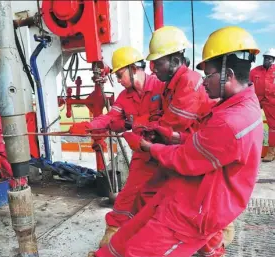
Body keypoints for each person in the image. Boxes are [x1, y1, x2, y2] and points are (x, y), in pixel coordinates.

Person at [92, 26, 262, 257]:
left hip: (198, 201)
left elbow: (187, 153)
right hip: (194, 178)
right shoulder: (234, 107)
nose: (204, 82)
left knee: (138, 248)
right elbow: (197, 140)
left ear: (228, 75)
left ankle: (213, 247)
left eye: (209, 75)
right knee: (139, 218)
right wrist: (166, 136)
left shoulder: (223, 115)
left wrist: (149, 144)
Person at [69, 46, 165, 247]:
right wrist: (90, 126)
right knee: (126, 198)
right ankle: (111, 239)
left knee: (165, 200)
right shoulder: (124, 97)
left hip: (166, 155)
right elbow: (111, 117)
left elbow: (164, 121)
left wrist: (133, 123)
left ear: (133, 68)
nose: (119, 80)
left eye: (120, 74)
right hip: (142, 155)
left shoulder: (161, 87)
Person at [250, 48, 275, 162]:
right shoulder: (255, 71)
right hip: (256, 100)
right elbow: (248, 85)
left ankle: (271, 152)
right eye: (266, 58)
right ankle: (251, 150)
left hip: (271, 101)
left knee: (273, 127)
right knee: (250, 124)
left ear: (273, 60)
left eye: (270, 58)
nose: (267, 60)